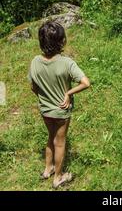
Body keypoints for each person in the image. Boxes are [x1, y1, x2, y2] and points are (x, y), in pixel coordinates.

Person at [28, 21, 90, 188]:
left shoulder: (35, 61)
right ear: (62, 41)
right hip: (61, 111)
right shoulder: (66, 63)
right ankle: (58, 177)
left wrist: (44, 98)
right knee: (60, 142)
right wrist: (68, 93)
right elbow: (85, 83)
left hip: (45, 110)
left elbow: (33, 86)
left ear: (41, 41)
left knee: (50, 137)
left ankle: (47, 169)